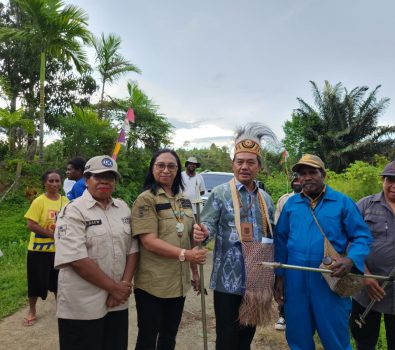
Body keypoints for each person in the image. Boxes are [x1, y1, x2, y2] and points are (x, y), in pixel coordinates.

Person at [274, 154, 372, 350]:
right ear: (298, 178)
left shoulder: (342, 203)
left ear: (323, 174)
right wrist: (279, 277)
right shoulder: (291, 205)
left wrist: (351, 260)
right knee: (298, 339)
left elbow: (362, 237)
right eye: (302, 174)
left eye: (312, 172)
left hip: (330, 282)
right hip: (295, 283)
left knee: (336, 340)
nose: (307, 177)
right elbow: (281, 241)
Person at [193, 123, 276, 350]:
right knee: (226, 338)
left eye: (250, 162)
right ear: (233, 164)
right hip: (227, 280)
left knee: (245, 338)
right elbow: (208, 224)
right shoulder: (220, 193)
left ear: (259, 166)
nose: (244, 167)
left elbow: (272, 234)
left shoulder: (266, 199)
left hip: (255, 280)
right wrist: (203, 231)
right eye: (240, 162)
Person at [54, 155, 138, 350]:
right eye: (98, 176)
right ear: (86, 179)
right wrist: (114, 288)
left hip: (117, 302)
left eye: (110, 177)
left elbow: (133, 249)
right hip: (82, 306)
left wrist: (123, 285)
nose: (105, 181)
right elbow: (76, 259)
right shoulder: (73, 211)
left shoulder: (123, 208)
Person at [131, 149, 207, 350]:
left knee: (169, 336)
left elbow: (189, 237)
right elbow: (149, 241)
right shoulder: (146, 199)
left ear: (177, 170)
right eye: (160, 165)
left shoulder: (183, 199)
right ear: (152, 168)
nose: (166, 170)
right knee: (148, 337)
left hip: (179, 283)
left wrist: (194, 270)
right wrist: (186, 254)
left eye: (171, 166)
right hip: (153, 284)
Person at [350, 160, 395, 350]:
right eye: (390, 179)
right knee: (365, 341)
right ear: (383, 181)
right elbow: (349, 241)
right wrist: (365, 274)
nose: (394, 185)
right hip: (366, 289)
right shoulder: (365, 205)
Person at [23, 170, 68, 326]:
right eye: (51, 181)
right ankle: (32, 311)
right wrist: (51, 234)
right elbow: (31, 224)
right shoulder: (39, 201)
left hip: (59, 251)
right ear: (45, 183)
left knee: (59, 282)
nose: (55, 184)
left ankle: (61, 309)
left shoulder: (65, 201)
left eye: (57, 181)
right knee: (35, 282)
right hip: (38, 251)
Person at [273, 174, 302, 331]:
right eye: (295, 180)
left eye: (300, 179)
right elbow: (279, 226)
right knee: (284, 284)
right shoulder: (284, 199)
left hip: (303, 250)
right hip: (287, 248)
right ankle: (282, 316)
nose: (297, 182)